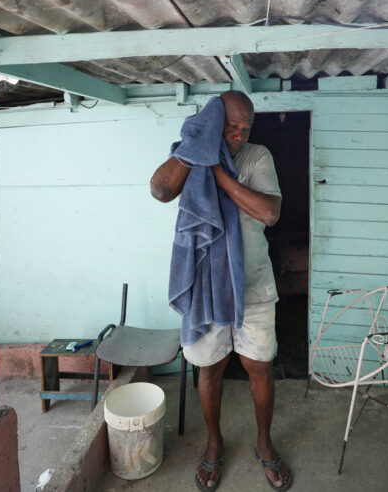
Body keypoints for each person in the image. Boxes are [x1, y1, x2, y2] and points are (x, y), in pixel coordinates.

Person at [150, 91, 292, 491]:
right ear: (214, 120)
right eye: (232, 126)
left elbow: (268, 212)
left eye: (246, 127)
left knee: (259, 367)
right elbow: (161, 190)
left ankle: (264, 442)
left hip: (253, 284)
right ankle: (214, 443)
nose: (240, 134)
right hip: (207, 287)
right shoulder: (190, 154)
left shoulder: (257, 157)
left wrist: (220, 174)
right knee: (208, 368)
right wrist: (198, 150)